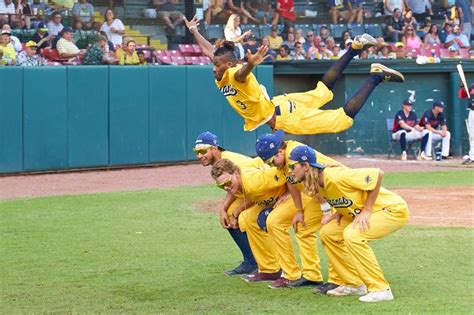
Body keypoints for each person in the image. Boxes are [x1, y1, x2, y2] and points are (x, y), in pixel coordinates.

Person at [184, 15, 405, 135]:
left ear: (230, 64)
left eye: (218, 65)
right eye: (215, 64)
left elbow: (241, 74)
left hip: (284, 118)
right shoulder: (222, 68)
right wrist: (194, 31)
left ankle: (376, 76)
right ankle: (354, 48)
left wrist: (250, 65)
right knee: (323, 91)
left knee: (342, 121)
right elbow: (210, 51)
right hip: (281, 103)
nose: (214, 67)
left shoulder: (233, 73)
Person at [288, 145, 409, 302]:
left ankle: (380, 289)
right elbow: (348, 195)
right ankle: (354, 284)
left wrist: (367, 210)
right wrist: (340, 211)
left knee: (353, 236)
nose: (290, 170)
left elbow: (377, 174)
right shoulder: (317, 181)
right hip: (363, 213)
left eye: (293, 166)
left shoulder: (335, 176)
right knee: (329, 233)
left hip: (391, 210)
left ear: (305, 166)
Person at [255, 130, 346, 294]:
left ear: (280, 151)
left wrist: (326, 211)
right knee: (303, 227)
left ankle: (338, 280)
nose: (272, 165)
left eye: (271, 160)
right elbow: (292, 183)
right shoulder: (285, 162)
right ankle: (311, 275)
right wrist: (298, 210)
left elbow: (316, 181)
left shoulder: (294, 155)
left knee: (331, 232)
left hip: (334, 187)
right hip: (318, 192)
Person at [193, 131, 258, 276]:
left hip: (264, 192)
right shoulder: (220, 162)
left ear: (214, 148)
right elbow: (233, 188)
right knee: (227, 216)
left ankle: (260, 262)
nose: (199, 156)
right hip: (249, 193)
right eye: (196, 152)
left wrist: (236, 212)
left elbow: (254, 191)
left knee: (242, 218)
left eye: (203, 151)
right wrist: (223, 209)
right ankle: (251, 261)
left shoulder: (233, 162)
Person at [459, 83, 474, 164]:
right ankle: (472, 157)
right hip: (472, 111)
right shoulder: (472, 86)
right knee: (472, 136)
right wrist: (463, 87)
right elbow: (462, 95)